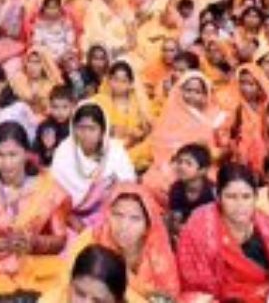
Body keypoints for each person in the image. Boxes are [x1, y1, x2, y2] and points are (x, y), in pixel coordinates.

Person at [0, 122, 68, 301]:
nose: (6, 163)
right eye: (0, 155)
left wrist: (34, 242)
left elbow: (60, 241)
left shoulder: (47, 188)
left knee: (63, 283)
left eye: (13, 155)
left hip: (33, 263)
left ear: (26, 153)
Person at [44, 184, 180, 303]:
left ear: (148, 225)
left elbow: (168, 295)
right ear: (108, 214)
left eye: (135, 219)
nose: (124, 226)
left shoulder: (158, 255)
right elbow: (68, 281)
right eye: (118, 215)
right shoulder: (92, 238)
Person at [177, 163, 269, 300]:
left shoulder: (267, 227)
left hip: (268, 295)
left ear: (256, 197)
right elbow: (195, 284)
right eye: (231, 197)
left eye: (246, 196)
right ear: (218, 196)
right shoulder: (200, 226)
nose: (240, 204)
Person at [50, 102, 136, 232]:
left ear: (102, 131)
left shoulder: (116, 151)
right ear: (73, 129)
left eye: (92, 129)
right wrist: (74, 222)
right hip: (71, 219)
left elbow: (128, 189)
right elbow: (56, 197)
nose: (86, 134)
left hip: (109, 215)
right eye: (81, 128)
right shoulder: (64, 152)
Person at [142, 72, 226, 198]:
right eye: (188, 90)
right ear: (180, 91)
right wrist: (178, 156)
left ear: (206, 95)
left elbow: (223, 147)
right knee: (153, 182)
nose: (192, 95)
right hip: (174, 163)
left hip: (204, 165)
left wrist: (208, 151)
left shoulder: (217, 117)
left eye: (197, 92)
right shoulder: (169, 115)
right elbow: (159, 143)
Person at [166, 143, 215, 239]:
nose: (182, 167)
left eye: (188, 163)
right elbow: (176, 219)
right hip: (184, 231)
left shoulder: (212, 191)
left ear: (203, 170)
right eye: (179, 162)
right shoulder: (176, 189)